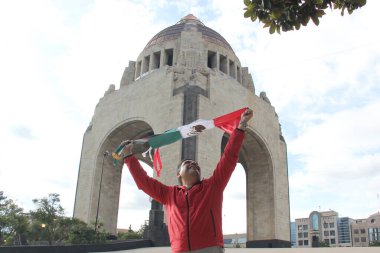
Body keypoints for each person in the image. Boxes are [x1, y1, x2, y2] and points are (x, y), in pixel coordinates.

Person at [121, 108, 253, 253]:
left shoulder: (213, 186)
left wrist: (240, 127)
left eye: (196, 164)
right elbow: (144, 182)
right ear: (178, 173)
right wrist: (129, 158)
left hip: (209, 248)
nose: (194, 164)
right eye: (188, 163)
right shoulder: (168, 194)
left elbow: (229, 157)